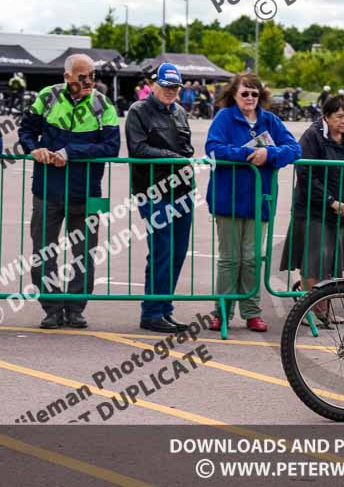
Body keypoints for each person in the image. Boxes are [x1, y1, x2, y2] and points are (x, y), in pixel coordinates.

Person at [19, 53, 120, 329]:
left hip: (90, 192)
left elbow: (112, 147)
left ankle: (75, 309)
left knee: (85, 254)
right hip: (46, 190)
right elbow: (26, 130)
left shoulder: (103, 104)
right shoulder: (47, 97)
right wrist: (33, 148)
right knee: (43, 253)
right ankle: (51, 308)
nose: (89, 81)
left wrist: (70, 152)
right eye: (82, 77)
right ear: (67, 77)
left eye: (93, 76)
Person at [205, 73, 301, 332]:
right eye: (244, 93)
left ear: (261, 96)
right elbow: (213, 148)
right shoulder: (224, 117)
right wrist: (249, 153)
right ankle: (221, 310)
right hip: (228, 199)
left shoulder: (270, 120)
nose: (249, 98)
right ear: (234, 94)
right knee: (229, 259)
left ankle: (251, 311)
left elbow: (294, 149)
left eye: (254, 94)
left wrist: (269, 153)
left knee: (251, 259)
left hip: (260, 202)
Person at [125, 63, 196, 333]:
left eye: (174, 87)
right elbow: (139, 149)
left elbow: (187, 147)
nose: (170, 91)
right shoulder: (138, 111)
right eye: (166, 86)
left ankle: (164, 309)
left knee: (177, 252)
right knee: (162, 251)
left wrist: (181, 160)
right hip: (154, 191)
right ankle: (152, 312)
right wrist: (176, 159)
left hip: (182, 190)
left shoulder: (180, 112)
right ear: (153, 84)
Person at [280, 95, 344, 326]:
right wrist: (330, 201)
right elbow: (306, 174)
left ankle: (324, 310)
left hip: (339, 213)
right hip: (314, 211)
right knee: (313, 262)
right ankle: (309, 311)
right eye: (340, 116)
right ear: (327, 116)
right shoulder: (313, 136)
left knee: (332, 264)